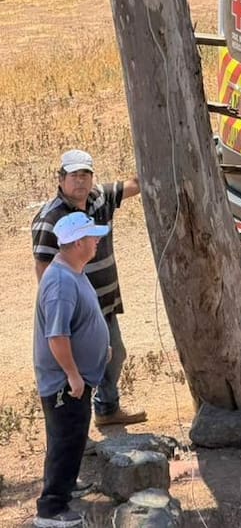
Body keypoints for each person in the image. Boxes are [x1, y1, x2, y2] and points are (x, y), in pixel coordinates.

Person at [32, 150, 145, 428]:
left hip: (103, 301)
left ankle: (106, 409)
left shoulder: (99, 198)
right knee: (74, 369)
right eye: (73, 175)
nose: (80, 181)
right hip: (75, 309)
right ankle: (73, 430)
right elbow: (43, 268)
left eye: (85, 175)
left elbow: (135, 184)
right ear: (60, 179)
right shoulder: (50, 218)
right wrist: (59, 308)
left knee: (114, 354)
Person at [33, 212, 113, 528]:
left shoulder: (73, 270)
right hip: (63, 384)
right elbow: (57, 335)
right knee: (65, 440)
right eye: (93, 236)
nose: (97, 241)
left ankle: (67, 486)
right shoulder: (61, 283)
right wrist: (73, 375)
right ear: (78, 242)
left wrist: (98, 349)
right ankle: (51, 510)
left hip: (73, 380)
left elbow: (81, 321)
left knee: (73, 437)